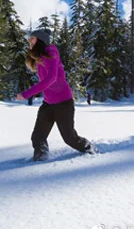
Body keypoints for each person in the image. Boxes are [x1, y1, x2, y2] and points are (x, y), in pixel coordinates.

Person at [16, 28, 95, 161]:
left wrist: (27, 94)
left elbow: (51, 79)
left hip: (63, 103)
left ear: (40, 40)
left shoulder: (51, 52)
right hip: (48, 103)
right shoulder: (39, 56)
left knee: (69, 138)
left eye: (32, 38)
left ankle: (89, 148)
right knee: (38, 136)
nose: (29, 41)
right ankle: (41, 157)